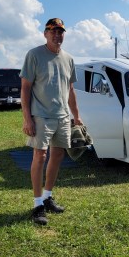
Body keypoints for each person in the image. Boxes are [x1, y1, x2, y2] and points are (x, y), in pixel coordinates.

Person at [21, 17, 82, 227]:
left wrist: (77, 116)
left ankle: (48, 197)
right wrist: (27, 118)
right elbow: (25, 88)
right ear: (45, 33)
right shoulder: (34, 55)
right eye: (52, 31)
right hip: (41, 115)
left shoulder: (69, 59)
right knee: (40, 155)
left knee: (57, 155)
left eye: (60, 31)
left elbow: (71, 90)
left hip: (63, 116)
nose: (57, 35)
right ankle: (37, 204)